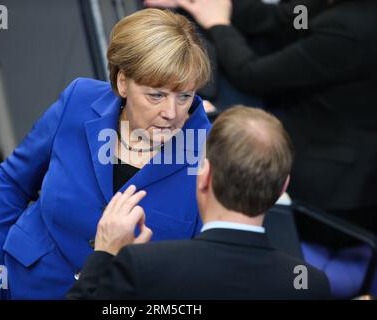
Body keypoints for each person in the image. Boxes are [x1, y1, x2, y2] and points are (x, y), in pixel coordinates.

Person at [0, 8, 211, 299]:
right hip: (18, 285)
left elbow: (201, 277)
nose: (171, 113)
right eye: (156, 95)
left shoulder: (211, 154)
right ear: (123, 82)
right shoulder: (79, 100)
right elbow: (13, 181)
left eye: (184, 96)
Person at [145, 0, 377, 248]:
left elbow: (251, 74)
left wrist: (218, 23)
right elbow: (279, 18)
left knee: (200, 144)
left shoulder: (352, 29)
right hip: (311, 122)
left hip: (329, 193)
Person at [66, 106, 331, 300]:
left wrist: (103, 256)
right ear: (282, 188)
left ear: (204, 176)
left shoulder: (143, 267)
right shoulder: (311, 285)